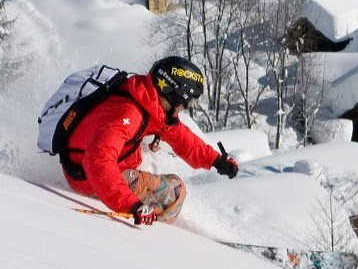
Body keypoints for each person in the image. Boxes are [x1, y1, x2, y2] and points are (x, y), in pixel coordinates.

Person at [63, 55, 239, 225]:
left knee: (165, 183)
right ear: (173, 95)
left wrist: (216, 160)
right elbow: (98, 159)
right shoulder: (130, 114)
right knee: (175, 191)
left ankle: (150, 215)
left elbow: (181, 137)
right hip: (87, 176)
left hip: (93, 169)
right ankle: (157, 233)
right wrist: (131, 205)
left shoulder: (147, 100)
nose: (184, 109)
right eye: (186, 103)